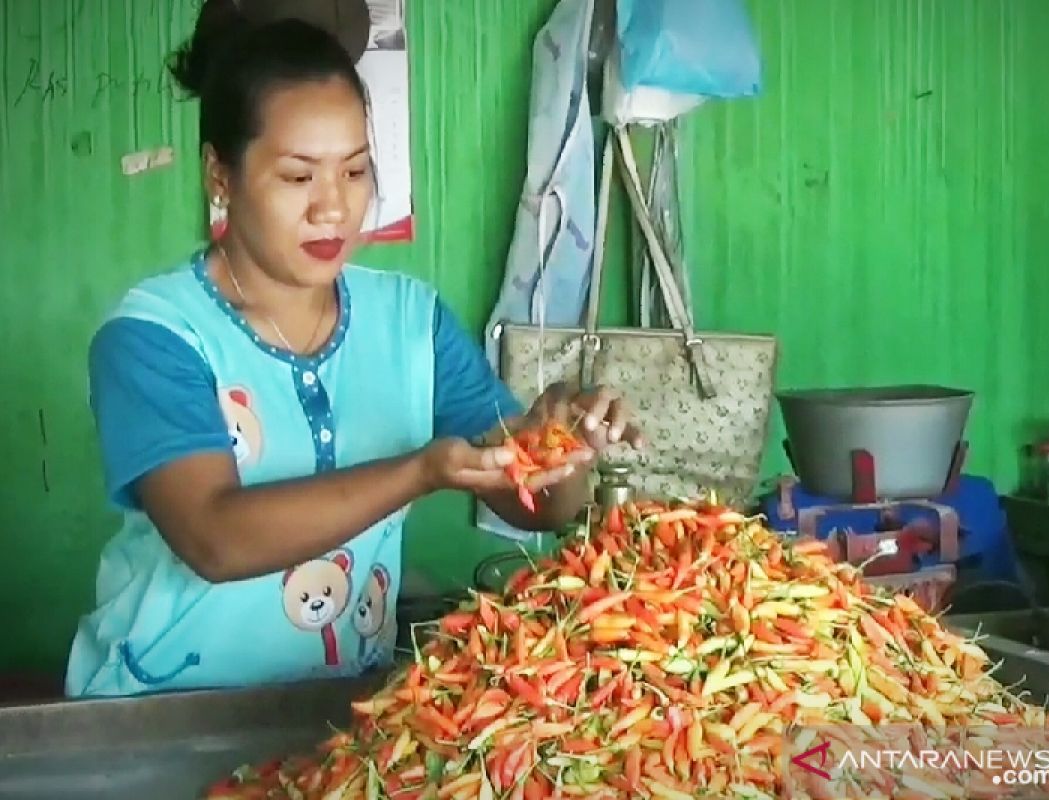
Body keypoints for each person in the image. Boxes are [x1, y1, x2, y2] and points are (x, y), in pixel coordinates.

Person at [65, 0, 642, 698]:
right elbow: (213, 538)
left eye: (355, 171)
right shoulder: (156, 336)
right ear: (220, 176)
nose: (333, 207)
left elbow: (534, 506)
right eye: (298, 176)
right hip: (162, 713)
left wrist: (560, 445)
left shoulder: (410, 322)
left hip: (340, 714)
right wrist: (420, 472)